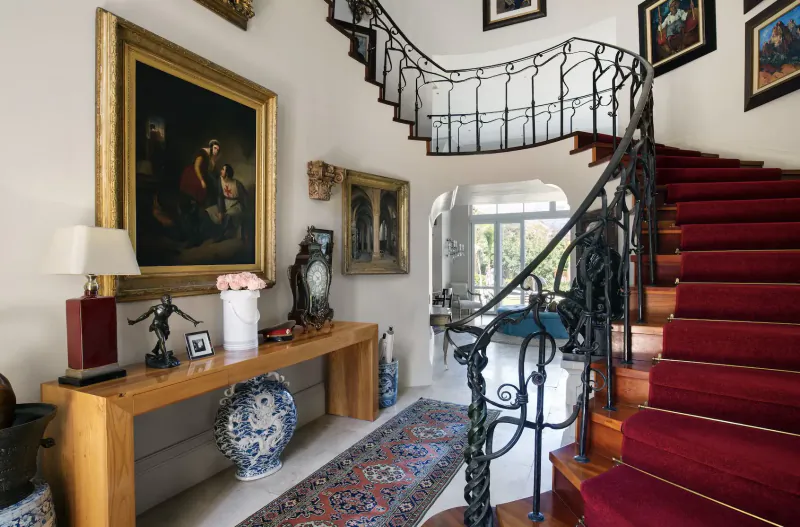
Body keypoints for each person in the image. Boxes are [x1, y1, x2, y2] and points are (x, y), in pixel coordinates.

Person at [179, 139, 221, 207]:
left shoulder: (210, 156)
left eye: (217, 150)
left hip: (201, 173)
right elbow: (196, 167)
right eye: (215, 148)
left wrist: (213, 160)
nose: (216, 151)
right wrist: (201, 181)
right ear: (210, 147)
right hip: (193, 173)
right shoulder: (202, 153)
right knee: (200, 187)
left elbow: (210, 169)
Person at [215, 164, 250, 243]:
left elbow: (244, 197)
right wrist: (221, 211)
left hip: (236, 204)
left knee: (228, 215)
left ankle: (222, 234)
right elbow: (220, 196)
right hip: (224, 203)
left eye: (223, 170)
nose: (221, 171)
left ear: (227, 173)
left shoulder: (237, 184)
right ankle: (214, 234)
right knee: (209, 212)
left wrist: (245, 210)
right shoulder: (220, 180)